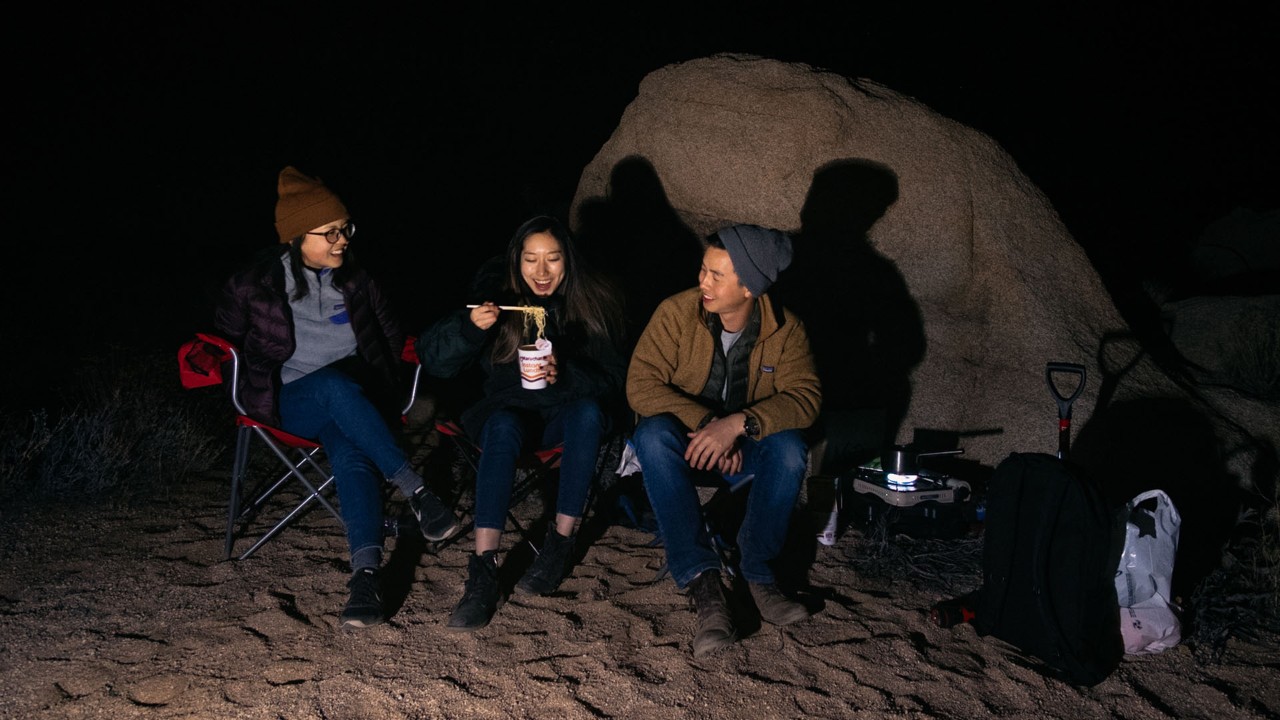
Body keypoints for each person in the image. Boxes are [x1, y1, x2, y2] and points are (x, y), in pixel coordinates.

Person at [214, 165, 461, 629]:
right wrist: (237, 382)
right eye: (328, 232)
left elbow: (390, 342)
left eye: (345, 228)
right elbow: (225, 344)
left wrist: (393, 390)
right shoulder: (251, 285)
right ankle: (417, 491)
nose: (342, 239)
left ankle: (365, 576)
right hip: (289, 404)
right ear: (294, 236)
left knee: (350, 447)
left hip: (353, 405)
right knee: (331, 385)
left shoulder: (360, 282)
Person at [416, 214, 628, 632]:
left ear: (569, 260)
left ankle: (560, 545)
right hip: (502, 416)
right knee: (503, 426)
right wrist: (468, 327)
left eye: (553, 259)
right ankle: (482, 571)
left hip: (562, 418)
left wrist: (565, 373)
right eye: (531, 260)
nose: (542, 272)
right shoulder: (496, 299)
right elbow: (433, 360)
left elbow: (617, 380)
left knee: (588, 413)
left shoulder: (592, 301)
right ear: (516, 261)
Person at [626, 223, 822, 658]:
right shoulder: (676, 314)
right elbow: (640, 385)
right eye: (703, 269)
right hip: (689, 445)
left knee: (790, 448)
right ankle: (704, 584)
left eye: (716, 275)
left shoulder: (786, 329)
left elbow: (806, 399)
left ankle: (758, 574)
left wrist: (739, 426)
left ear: (750, 287)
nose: (703, 282)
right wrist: (710, 423)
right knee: (652, 435)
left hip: (744, 446)